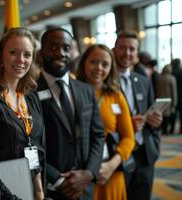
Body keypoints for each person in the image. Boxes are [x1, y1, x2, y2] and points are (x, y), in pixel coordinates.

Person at [37, 27, 105, 200]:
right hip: (49, 188)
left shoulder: (86, 90)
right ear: (40, 52)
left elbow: (97, 135)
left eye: (66, 48)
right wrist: (59, 181)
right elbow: (30, 145)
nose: (61, 53)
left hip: (85, 187)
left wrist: (89, 173)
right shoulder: (29, 92)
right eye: (53, 47)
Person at [0, 27, 45, 200]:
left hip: (33, 187)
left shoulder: (31, 97)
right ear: (1, 56)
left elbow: (36, 146)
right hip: (1, 190)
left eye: (27, 55)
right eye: (13, 52)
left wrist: (39, 190)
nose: (21, 60)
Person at [76, 44, 135, 200]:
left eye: (105, 64)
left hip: (109, 173)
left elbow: (129, 138)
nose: (99, 68)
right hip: (78, 173)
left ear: (111, 68)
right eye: (93, 62)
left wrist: (111, 166)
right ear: (84, 63)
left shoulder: (116, 96)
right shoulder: (71, 91)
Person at [113, 30, 163, 200]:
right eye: (122, 48)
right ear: (114, 49)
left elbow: (151, 111)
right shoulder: (106, 80)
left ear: (136, 54)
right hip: (117, 154)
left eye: (132, 49)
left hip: (145, 154)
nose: (127, 53)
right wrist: (127, 127)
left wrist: (155, 122)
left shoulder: (143, 80)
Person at [156, 64, 177, 135]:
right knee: (167, 116)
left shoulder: (159, 77)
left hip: (159, 99)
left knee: (161, 115)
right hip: (169, 100)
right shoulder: (171, 78)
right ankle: (167, 131)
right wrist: (174, 103)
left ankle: (163, 130)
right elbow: (174, 91)